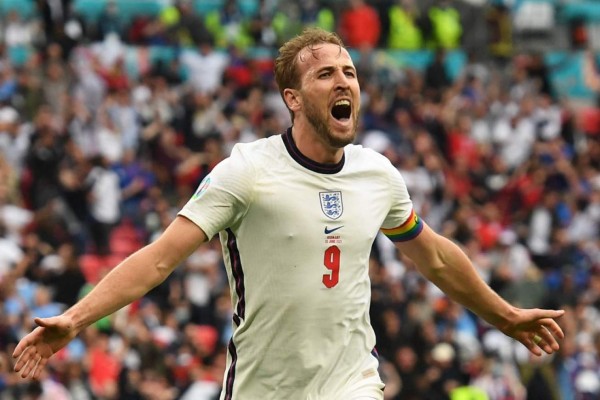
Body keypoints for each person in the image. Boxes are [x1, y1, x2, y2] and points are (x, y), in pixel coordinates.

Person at [13, 28, 565, 400]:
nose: (344, 81)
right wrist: (75, 319)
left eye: (349, 71)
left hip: (353, 382)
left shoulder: (378, 174)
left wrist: (504, 315)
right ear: (293, 98)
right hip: (264, 388)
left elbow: (437, 258)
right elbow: (159, 260)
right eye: (326, 74)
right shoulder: (247, 171)